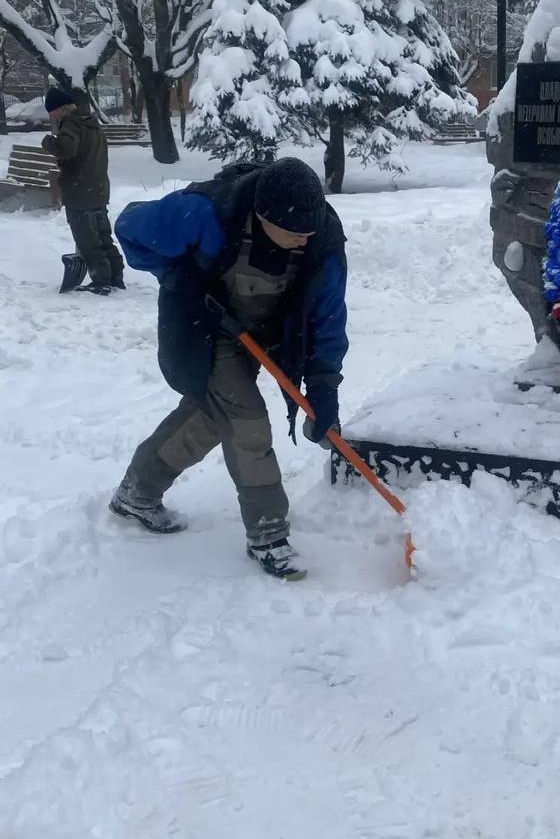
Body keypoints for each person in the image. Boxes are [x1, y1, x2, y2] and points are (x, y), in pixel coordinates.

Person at [109, 157, 347, 580]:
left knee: (211, 416)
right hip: (210, 330)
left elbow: (327, 316)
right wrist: (179, 276)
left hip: (269, 332)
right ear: (262, 214)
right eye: (294, 231)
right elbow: (129, 227)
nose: (303, 239)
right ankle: (268, 533)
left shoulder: (322, 237)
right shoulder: (209, 210)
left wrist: (324, 386)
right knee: (246, 422)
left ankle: (137, 491)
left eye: (309, 231)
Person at [41, 86, 124, 295]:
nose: (52, 116)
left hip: (80, 192)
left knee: (87, 239)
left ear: (60, 108)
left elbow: (66, 149)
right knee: (103, 236)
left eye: (52, 112)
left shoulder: (71, 124)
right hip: (98, 188)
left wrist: (49, 143)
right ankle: (116, 276)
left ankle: (101, 280)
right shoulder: (91, 122)